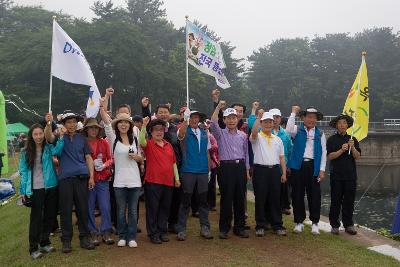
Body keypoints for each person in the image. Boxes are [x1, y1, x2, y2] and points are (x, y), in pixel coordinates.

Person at [45, 111, 96, 253]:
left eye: (74, 121)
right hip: (65, 180)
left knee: (82, 210)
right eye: (68, 122)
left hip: (82, 178)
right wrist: (49, 123)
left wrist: (91, 177)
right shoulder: (59, 137)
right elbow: (48, 137)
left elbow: (88, 158)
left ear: (77, 123)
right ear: (64, 124)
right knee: (66, 211)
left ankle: (84, 238)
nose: (72, 124)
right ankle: (66, 241)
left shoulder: (82, 138)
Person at [100, 104, 144, 248]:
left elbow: (140, 157)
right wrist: (102, 105)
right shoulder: (113, 139)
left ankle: (131, 236)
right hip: (119, 181)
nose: (123, 124)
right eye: (121, 122)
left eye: (126, 122)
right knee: (120, 211)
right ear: (117, 125)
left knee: (132, 211)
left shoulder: (135, 139)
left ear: (130, 125)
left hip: (134, 181)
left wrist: (138, 158)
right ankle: (122, 236)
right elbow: (106, 123)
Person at [19, 124, 65, 259]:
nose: (38, 137)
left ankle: (45, 242)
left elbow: (59, 150)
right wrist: (23, 190)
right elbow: (23, 172)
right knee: (36, 219)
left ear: (44, 135)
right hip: (35, 189)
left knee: (50, 216)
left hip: (51, 186)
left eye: (40, 134)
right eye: (35, 134)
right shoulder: (25, 152)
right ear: (31, 136)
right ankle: (33, 248)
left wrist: (61, 137)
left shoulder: (49, 148)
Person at [141, 97, 182, 233]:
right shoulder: (150, 142)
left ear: (169, 114)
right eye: (160, 112)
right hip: (153, 178)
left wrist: (176, 178)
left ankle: (164, 229)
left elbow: (174, 161)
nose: (163, 114)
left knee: (167, 205)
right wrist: (145, 113)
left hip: (170, 178)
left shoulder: (173, 134)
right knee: (153, 207)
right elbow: (143, 139)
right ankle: (153, 232)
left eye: (166, 112)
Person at [211, 102, 250, 239]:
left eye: (234, 118)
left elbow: (246, 154)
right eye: (228, 118)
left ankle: (239, 227)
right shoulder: (220, 134)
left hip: (240, 167)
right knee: (226, 198)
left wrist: (247, 170)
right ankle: (224, 228)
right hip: (226, 168)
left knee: (240, 198)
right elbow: (213, 121)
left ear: (237, 119)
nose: (232, 120)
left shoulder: (243, 135)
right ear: (225, 120)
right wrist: (218, 107)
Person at [286, 106, 327, 235]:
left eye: (314, 118)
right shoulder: (297, 130)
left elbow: (324, 152)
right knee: (297, 194)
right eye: (309, 117)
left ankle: (315, 223)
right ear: (303, 118)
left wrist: (322, 169)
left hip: (313, 166)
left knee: (314, 195)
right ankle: (299, 222)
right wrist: (293, 113)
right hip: (298, 166)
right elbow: (287, 130)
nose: (311, 120)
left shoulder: (320, 133)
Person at [175, 110, 213, 241]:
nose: (194, 120)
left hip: (202, 171)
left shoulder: (204, 132)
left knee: (203, 201)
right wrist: (185, 120)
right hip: (188, 170)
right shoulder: (184, 131)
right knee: (186, 201)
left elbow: (207, 152)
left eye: (196, 117)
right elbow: (180, 134)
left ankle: (205, 227)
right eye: (192, 117)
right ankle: (181, 229)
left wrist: (209, 170)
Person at [250, 111, 287, 237]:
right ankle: (260, 225)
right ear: (261, 123)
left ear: (273, 123)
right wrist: (259, 117)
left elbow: (282, 157)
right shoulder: (257, 137)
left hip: (275, 171)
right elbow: (254, 132)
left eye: (270, 122)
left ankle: (277, 224)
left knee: (275, 198)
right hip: (260, 170)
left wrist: (284, 173)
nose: (268, 124)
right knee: (260, 198)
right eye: (265, 122)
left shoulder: (278, 139)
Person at [82, 118, 115, 245]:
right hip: (88, 180)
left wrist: (105, 165)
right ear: (86, 129)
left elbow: (111, 158)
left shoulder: (104, 142)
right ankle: (92, 231)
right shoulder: (83, 143)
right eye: (91, 128)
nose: (93, 130)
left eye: (95, 128)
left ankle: (106, 231)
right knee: (89, 206)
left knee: (105, 206)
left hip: (102, 179)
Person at [327, 114, 361, 235]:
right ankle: (334, 225)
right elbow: (330, 156)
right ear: (336, 125)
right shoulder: (331, 140)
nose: (342, 125)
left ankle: (348, 224)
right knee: (335, 200)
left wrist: (353, 147)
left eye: (344, 123)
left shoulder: (353, 139)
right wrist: (341, 150)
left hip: (350, 176)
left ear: (347, 126)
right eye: (340, 123)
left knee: (349, 201)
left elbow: (357, 157)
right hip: (336, 175)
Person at [269, 108, 293, 215]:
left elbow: (289, 150)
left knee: (284, 188)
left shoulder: (285, 134)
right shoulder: (263, 132)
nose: (275, 120)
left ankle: (285, 206)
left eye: (277, 117)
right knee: (271, 190)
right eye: (273, 117)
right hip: (269, 167)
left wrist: (288, 166)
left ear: (280, 119)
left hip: (282, 167)